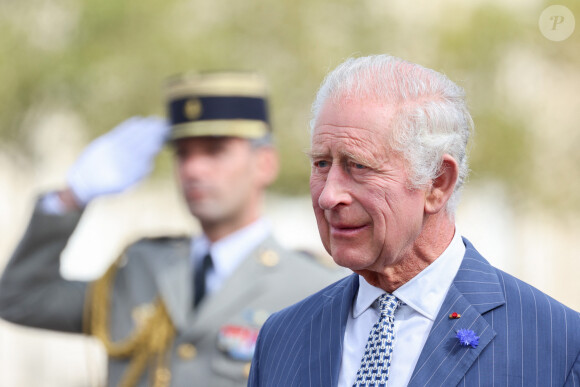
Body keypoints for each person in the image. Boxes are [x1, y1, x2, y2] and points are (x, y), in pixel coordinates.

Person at [248, 55, 580, 386]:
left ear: (437, 182)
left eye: (358, 166)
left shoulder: (556, 345)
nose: (328, 196)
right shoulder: (282, 338)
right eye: (321, 164)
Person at [0, 71, 343, 387]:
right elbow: (19, 299)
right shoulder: (142, 267)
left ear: (265, 163)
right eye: (183, 153)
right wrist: (72, 195)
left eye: (214, 151)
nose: (193, 169)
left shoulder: (316, 290)